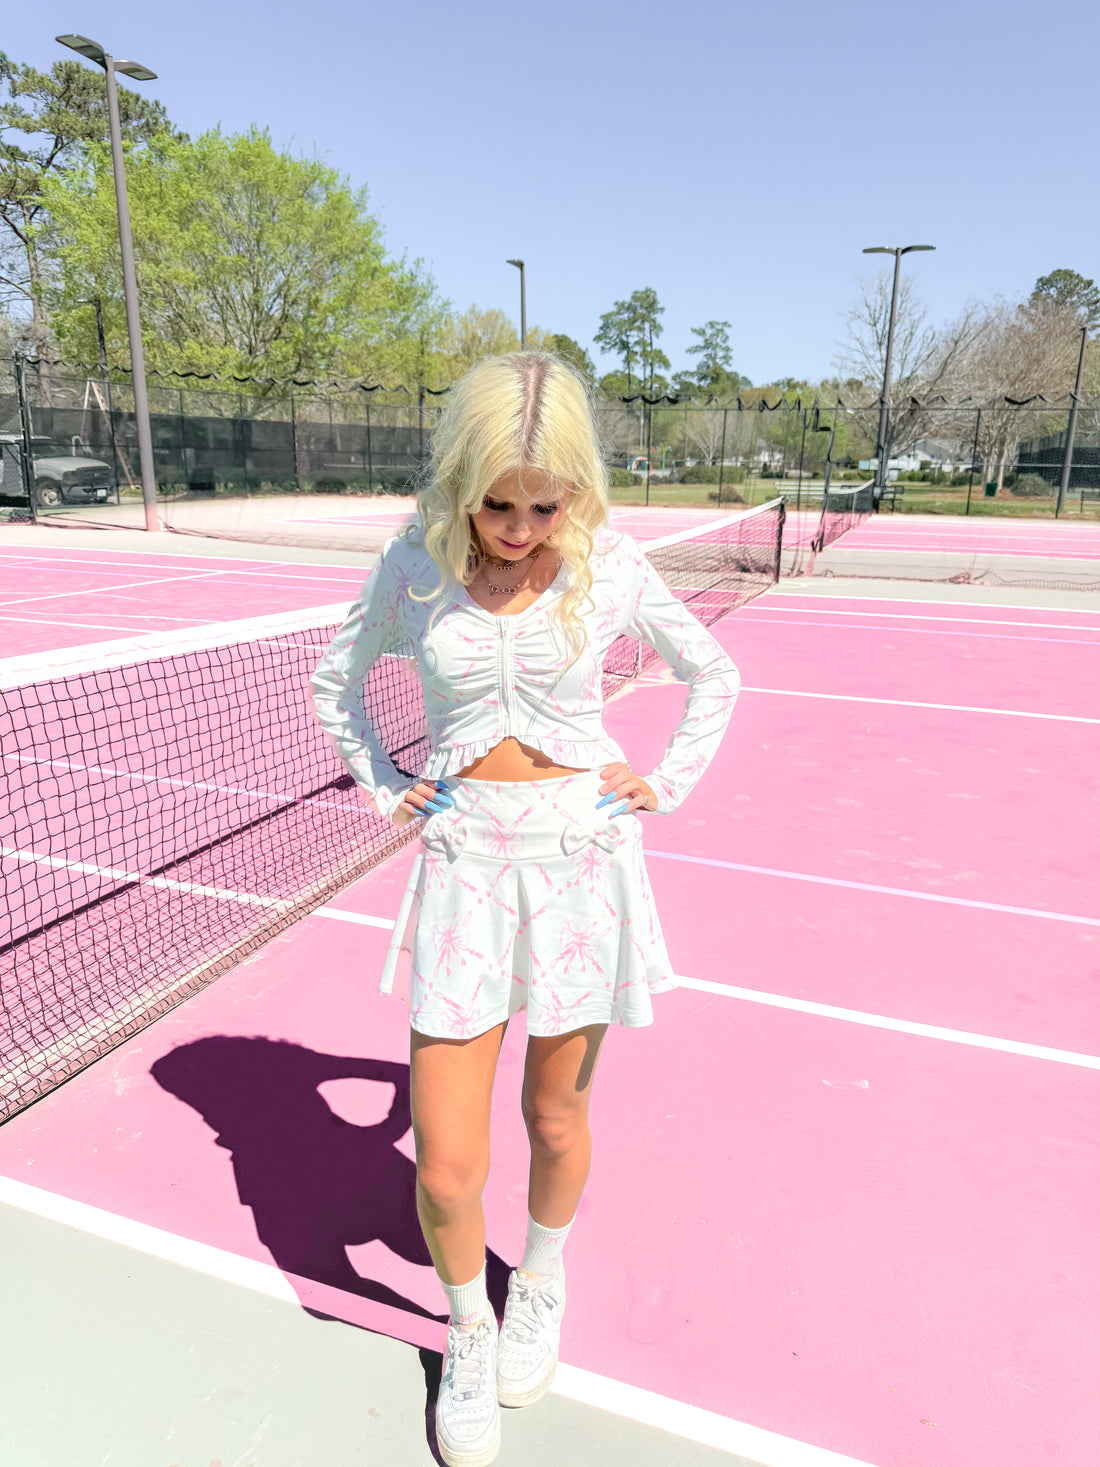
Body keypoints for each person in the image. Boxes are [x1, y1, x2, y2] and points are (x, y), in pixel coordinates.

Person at [310, 351, 740, 1467]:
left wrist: (660, 780)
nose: (515, 525)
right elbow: (337, 682)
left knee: (555, 1119)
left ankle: (537, 1280)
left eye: (541, 504)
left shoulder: (610, 567)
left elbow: (712, 676)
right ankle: (465, 1329)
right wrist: (382, 780)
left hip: (580, 864)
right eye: (494, 501)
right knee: (446, 1165)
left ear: (574, 491)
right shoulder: (411, 568)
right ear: (459, 482)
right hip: (461, 866)